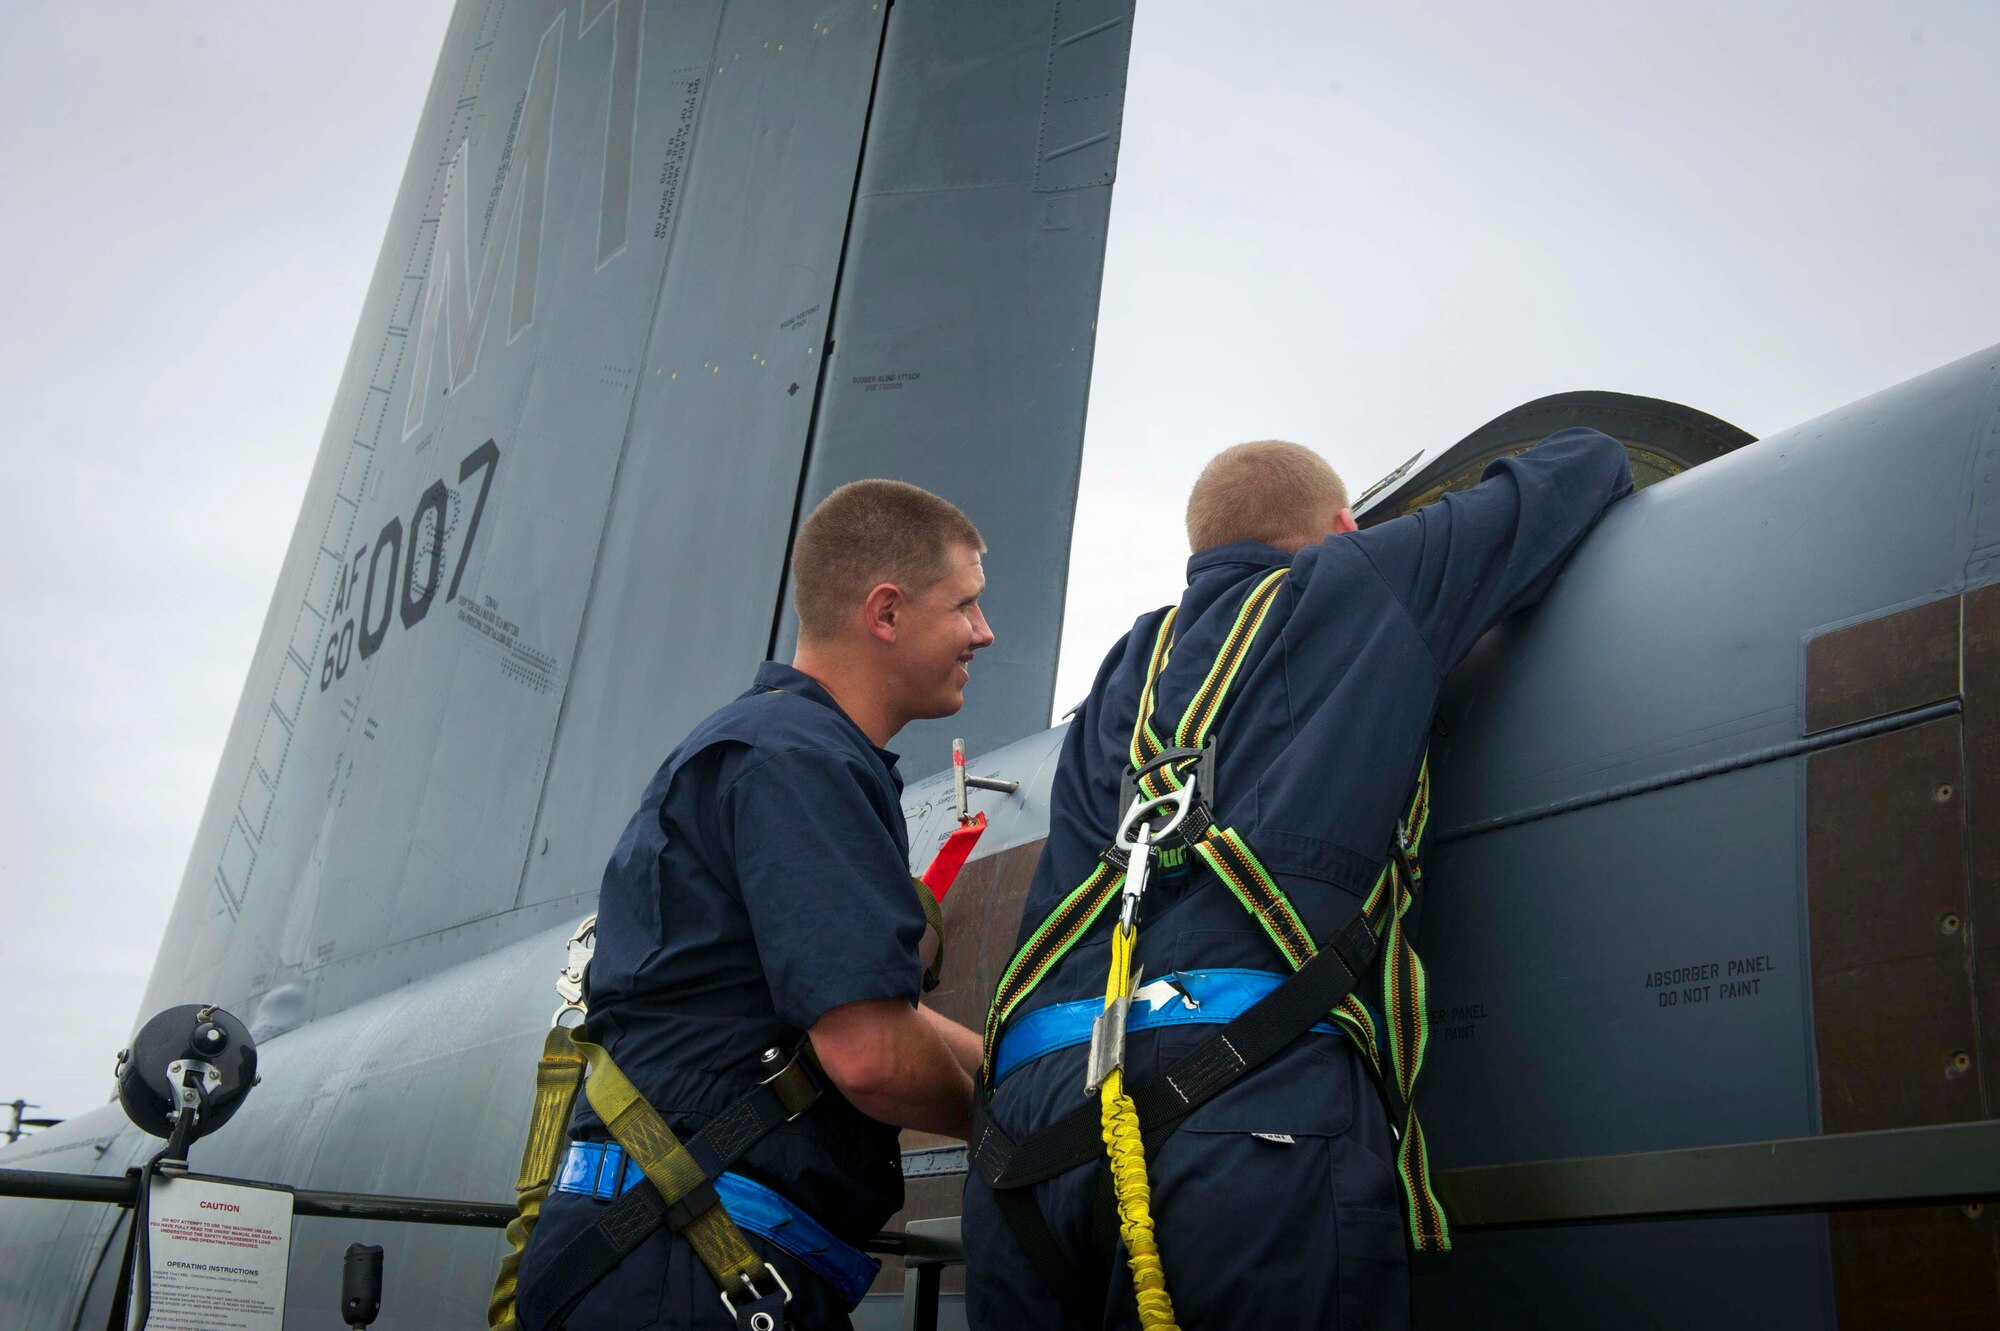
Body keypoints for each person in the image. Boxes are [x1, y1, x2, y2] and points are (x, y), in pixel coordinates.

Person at [964, 428, 1634, 1329]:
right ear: (1343, 525)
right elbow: (1590, 462)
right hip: (1239, 1117)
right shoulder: (1363, 582)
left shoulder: (1128, 665)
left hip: (1025, 1143)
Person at [515, 479, 992, 1331]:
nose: (983, 634)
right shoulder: (796, 762)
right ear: (885, 613)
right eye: (965, 605)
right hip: (686, 1266)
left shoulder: (786, 749)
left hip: (685, 1254)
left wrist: (1025, 1065)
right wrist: (1020, 1117)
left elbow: (883, 1016)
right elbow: (871, 1054)